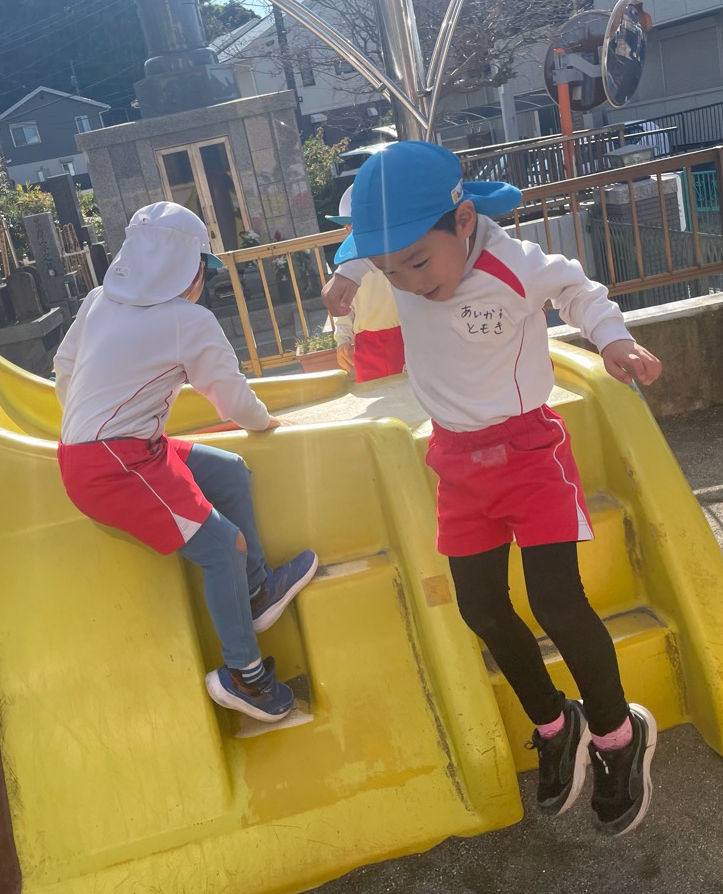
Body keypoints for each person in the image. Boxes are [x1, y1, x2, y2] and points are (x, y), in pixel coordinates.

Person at [322, 142, 662, 835]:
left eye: (417, 263)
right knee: (480, 606)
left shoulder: (513, 263)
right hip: (455, 460)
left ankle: (617, 735)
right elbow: (367, 246)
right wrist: (349, 274)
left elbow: (578, 289)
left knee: (555, 601)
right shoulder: (402, 255)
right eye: (390, 270)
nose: (408, 282)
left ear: (464, 221)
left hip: (529, 454)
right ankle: (554, 723)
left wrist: (613, 340)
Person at [54, 201, 319, 723]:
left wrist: (92, 424)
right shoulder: (188, 320)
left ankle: (256, 591)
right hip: (117, 464)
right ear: (189, 267)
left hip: (105, 451)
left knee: (229, 471)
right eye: (206, 266)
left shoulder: (98, 300)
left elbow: (64, 370)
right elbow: (231, 398)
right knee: (224, 547)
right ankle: (246, 677)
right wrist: (264, 422)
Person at [326, 187, 405, 382]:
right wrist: (343, 338)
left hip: (406, 334)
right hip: (367, 342)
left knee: (411, 389)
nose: (353, 232)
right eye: (349, 228)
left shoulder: (401, 252)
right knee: (373, 388)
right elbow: (344, 307)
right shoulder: (348, 263)